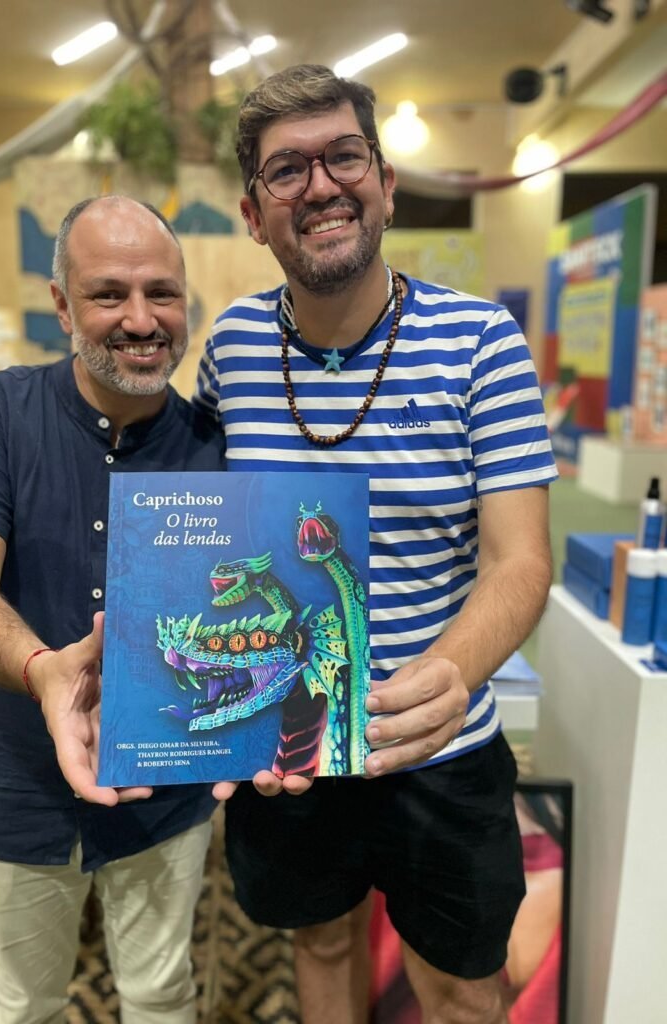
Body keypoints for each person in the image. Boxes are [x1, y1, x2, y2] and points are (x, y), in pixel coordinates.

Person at [193, 65, 557, 1024]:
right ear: (253, 214)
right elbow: (206, 535)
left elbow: (520, 561)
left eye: (344, 157)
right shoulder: (230, 349)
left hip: (440, 744)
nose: (320, 185)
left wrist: (450, 673)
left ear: (386, 184)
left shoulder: (482, 342)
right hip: (294, 740)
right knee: (319, 942)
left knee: (463, 987)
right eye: (287, 170)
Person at [0, 195, 224, 1024]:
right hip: (7, 783)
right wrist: (41, 670)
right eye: (108, 294)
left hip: (166, 792)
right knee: (25, 1005)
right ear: (62, 305)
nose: (141, 319)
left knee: (161, 996)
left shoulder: (215, 446)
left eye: (162, 293)